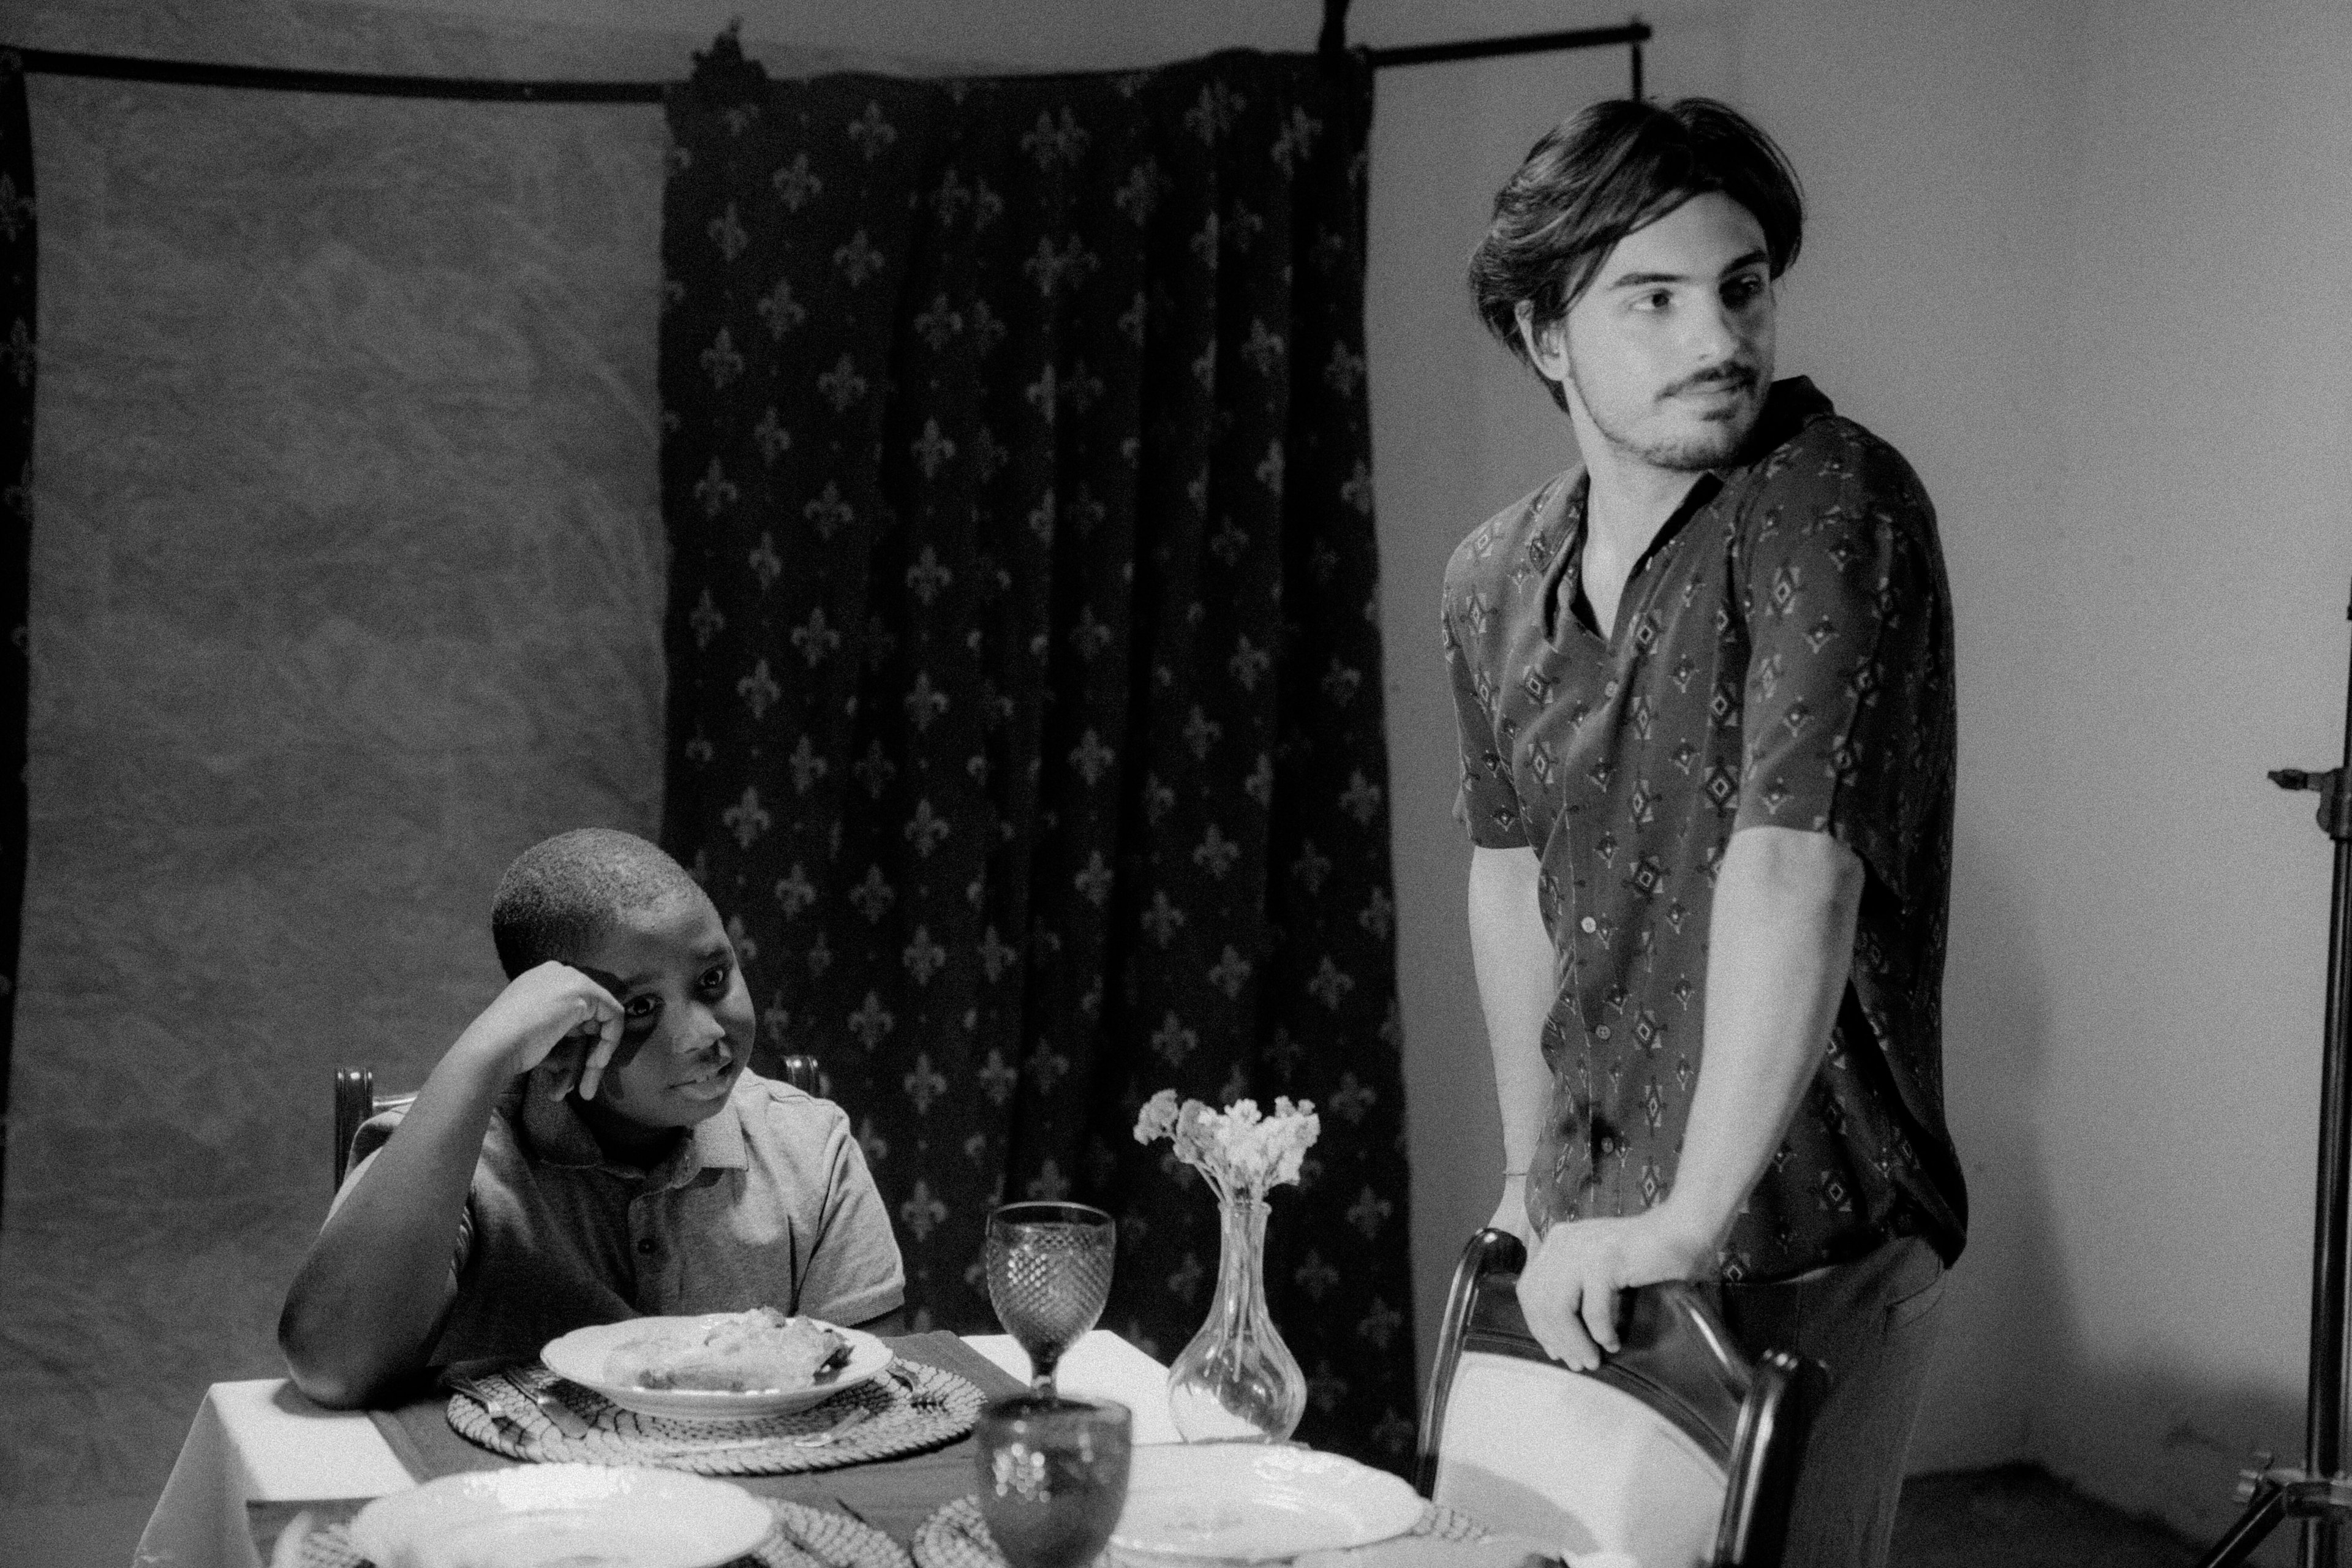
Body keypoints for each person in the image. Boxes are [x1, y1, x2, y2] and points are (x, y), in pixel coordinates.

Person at [1442, 97, 1965, 1566]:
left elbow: (1796, 860)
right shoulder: (1491, 578)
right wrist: (1525, 1176)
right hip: (1586, 1232)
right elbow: (1508, 873)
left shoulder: (1828, 497)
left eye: (1739, 288)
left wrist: (1685, 1218)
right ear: (1546, 335)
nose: (1717, 337)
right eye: (1653, 299)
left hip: (1808, 1226)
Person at [279, 827, 905, 1408]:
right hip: (516, 1484)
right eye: (640, 1008)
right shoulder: (456, 1155)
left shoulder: (810, 1147)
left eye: (714, 979)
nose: (704, 1035)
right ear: (557, 1026)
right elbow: (332, 1365)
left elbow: (873, 1401)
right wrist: (483, 1054)